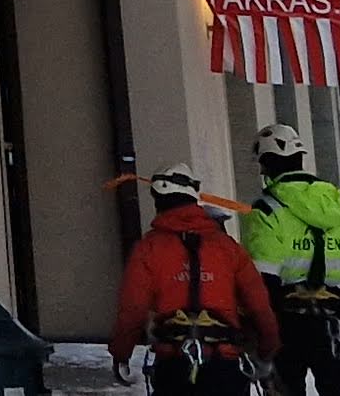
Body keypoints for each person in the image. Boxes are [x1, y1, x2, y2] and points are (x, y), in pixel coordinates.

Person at [112, 163, 281, 393]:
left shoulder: (148, 248)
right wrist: (267, 348)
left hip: (174, 366)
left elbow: (132, 308)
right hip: (224, 365)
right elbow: (258, 304)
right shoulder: (227, 248)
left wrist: (121, 353)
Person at [240, 124, 340, 396]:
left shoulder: (267, 211)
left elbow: (261, 282)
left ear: (267, 165)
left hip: (288, 327)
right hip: (334, 326)